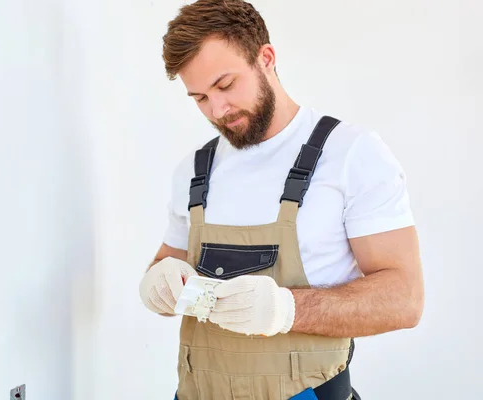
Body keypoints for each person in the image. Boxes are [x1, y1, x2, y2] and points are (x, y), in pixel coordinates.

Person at [138, 1, 424, 399]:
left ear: (266, 58)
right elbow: (166, 261)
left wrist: (286, 310)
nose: (217, 110)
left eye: (225, 85)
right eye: (200, 98)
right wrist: (159, 280)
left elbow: (404, 299)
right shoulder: (193, 169)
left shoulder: (352, 154)